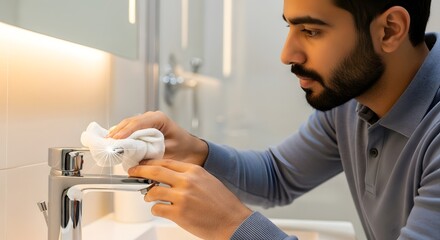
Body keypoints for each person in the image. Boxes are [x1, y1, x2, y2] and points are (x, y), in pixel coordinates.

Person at [108, 0, 440, 239]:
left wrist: (233, 226)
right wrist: (197, 151)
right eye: (290, 27)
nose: (287, 55)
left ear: (389, 30)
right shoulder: (349, 103)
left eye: (310, 30)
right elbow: (277, 175)